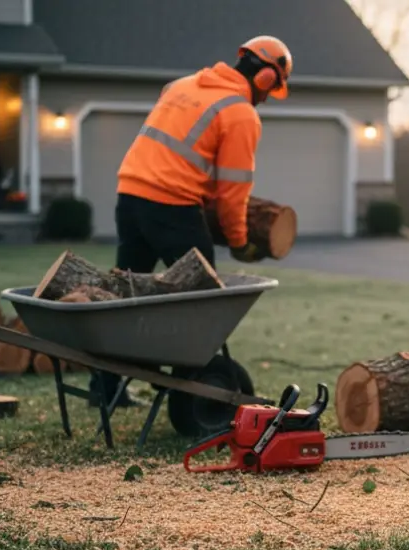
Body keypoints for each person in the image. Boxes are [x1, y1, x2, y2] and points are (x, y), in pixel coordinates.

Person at [89, 35, 294, 408]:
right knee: (203, 302)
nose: (266, 96)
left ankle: (104, 388)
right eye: (271, 88)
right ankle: (190, 392)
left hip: (130, 195)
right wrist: (237, 240)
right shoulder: (240, 112)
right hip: (171, 205)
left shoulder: (183, 85)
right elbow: (234, 191)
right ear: (265, 77)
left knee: (123, 294)